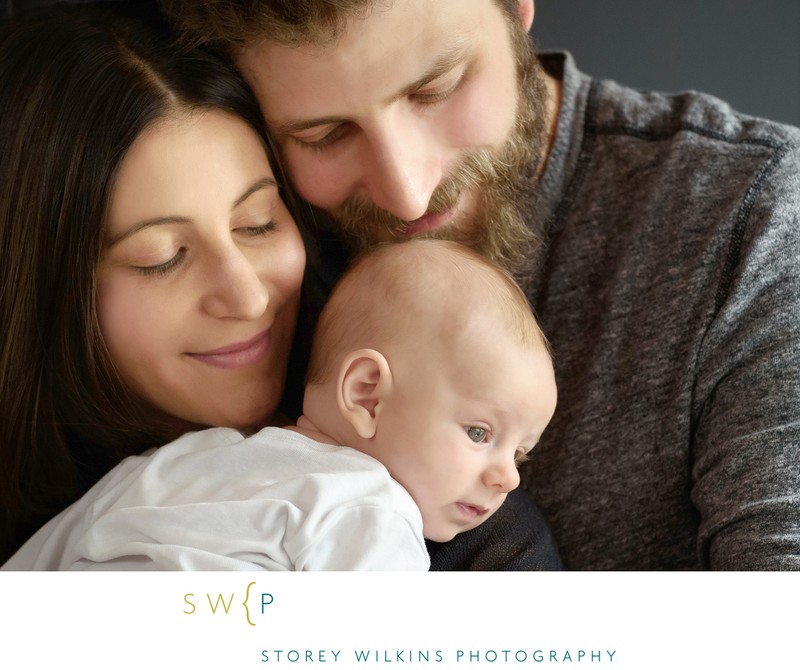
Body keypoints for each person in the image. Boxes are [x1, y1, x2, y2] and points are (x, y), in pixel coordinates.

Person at [159, 0, 800, 569]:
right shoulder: (252, 239)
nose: (406, 196)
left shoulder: (755, 217)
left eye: (434, 89)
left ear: (516, 11)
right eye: (323, 135)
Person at [0, 3, 562, 570]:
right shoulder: (142, 483)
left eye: (258, 223)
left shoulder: (432, 518)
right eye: (162, 258)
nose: (248, 298)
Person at [3, 239, 558, 570]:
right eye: (481, 433)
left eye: (522, 455)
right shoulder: (372, 513)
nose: (508, 479)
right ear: (367, 393)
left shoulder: (187, 456)